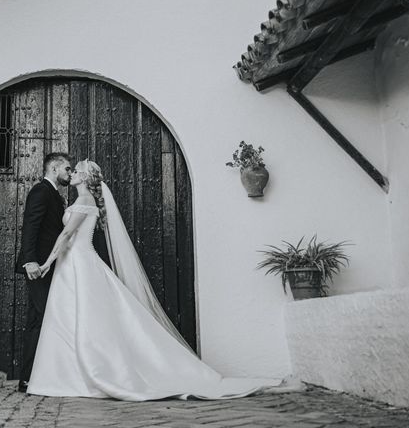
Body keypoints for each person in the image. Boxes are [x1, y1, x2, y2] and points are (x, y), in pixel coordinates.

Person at [26, 159, 280, 400]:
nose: (72, 174)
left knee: (86, 318)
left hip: (79, 262)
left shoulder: (85, 200)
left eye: (77, 170)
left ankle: (92, 373)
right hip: (71, 264)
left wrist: (48, 262)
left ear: (86, 177)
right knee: (68, 317)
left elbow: (67, 235)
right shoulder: (80, 199)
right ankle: (68, 375)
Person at [15, 152, 72, 393]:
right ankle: (29, 378)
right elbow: (31, 226)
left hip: (50, 266)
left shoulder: (55, 195)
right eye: (67, 169)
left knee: (38, 319)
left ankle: (34, 376)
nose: (70, 173)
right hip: (39, 267)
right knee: (41, 318)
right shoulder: (41, 191)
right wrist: (30, 261)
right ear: (54, 168)